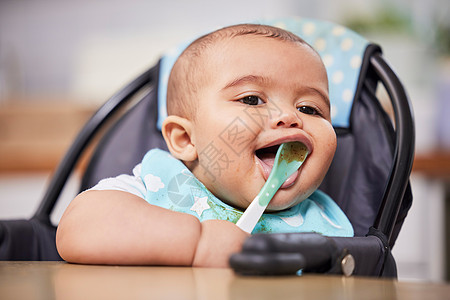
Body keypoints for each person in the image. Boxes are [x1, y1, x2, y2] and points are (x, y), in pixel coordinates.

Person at [56, 24, 353, 268]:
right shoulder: (160, 190)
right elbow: (78, 227)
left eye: (310, 108)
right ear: (185, 139)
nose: (289, 116)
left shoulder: (326, 228)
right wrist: (198, 242)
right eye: (252, 99)